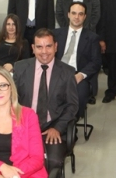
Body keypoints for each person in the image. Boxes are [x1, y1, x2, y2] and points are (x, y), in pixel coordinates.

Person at [12, 29, 78, 169]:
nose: (44, 52)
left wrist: (58, 128)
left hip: (51, 127)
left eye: (48, 46)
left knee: (52, 162)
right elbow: (12, 100)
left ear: (56, 47)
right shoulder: (20, 68)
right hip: (24, 127)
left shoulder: (67, 72)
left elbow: (72, 106)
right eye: (39, 47)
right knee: (12, 159)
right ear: (33, 48)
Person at [53, 2, 101, 118]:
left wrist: (81, 75)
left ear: (85, 17)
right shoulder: (55, 34)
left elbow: (96, 62)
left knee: (79, 95)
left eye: (80, 14)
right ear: (68, 14)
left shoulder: (92, 38)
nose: (77, 17)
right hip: (56, 72)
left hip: (78, 74)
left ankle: (70, 121)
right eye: (74, 13)